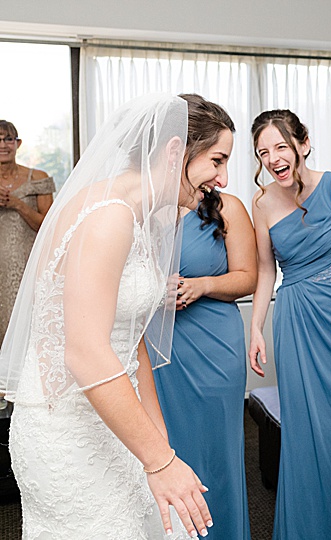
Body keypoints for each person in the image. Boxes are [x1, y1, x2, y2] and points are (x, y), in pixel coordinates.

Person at [0, 94, 219, 538]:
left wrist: (158, 443)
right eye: (217, 160)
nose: (223, 178)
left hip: (116, 416)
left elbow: (133, 342)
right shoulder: (107, 217)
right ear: (175, 151)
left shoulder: (141, 219)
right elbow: (85, 352)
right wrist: (160, 461)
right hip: (69, 431)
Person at [248, 109, 331, 539]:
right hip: (296, 324)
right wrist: (255, 327)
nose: (273, 159)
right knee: (304, 436)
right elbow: (265, 270)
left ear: (303, 143)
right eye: (263, 153)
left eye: (281, 147)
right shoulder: (262, 203)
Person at [151, 94, 256, 539]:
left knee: (216, 452)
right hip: (159, 349)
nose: (223, 176)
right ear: (184, 149)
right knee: (164, 447)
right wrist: (151, 291)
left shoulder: (228, 208)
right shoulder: (143, 210)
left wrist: (202, 286)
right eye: (217, 159)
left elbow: (248, 277)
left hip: (214, 346)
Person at [0, 120, 55, 347]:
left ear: (18, 143)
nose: (3, 145)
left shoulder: (38, 177)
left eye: (8, 139)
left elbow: (49, 227)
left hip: (27, 267)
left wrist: (17, 204)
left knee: (27, 331)